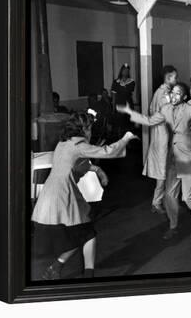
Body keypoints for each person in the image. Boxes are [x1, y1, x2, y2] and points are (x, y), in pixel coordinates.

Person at [31, 112, 138, 280]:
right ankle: (84, 275)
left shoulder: (64, 143)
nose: (91, 132)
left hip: (50, 197)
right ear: (83, 129)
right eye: (89, 128)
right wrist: (126, 138)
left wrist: (98, 170)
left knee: (83, 234)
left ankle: (57, 268)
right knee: (86, 234)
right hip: (63, 197)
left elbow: (77, 164)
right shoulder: (79, 145)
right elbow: (107, 152)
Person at [117, 83, 191, 240]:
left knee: (188, 197)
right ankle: (173, 225)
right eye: (173, 93)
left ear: (184, 97)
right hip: (171, 156)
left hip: (187, 157)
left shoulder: (190, 110)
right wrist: (130, 112)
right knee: (169, 195)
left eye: (178, 94)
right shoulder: (165, 109)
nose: (174, 96)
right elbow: (149, 121)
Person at [143, 65, 178, 214]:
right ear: (168, 77)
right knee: (162, 171)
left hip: (161, 134)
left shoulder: (160, 92)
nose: (176, 80)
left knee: (165, 170)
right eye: (175, 77)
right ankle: (157, 203)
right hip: (162, 137)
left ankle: (162, 201)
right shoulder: (163, 94)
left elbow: (151, 110)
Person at [111, 63, 136, 136]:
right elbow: (113, 95)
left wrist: (123, 85)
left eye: (127, 70)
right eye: (124, 70)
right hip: (119, 105)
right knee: (119, 125)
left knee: (128, 124)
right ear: (121, 71)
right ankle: (120, 140)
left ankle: (128, 141)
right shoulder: (115, 82)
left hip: (128, 106)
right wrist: (113, 107)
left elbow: (128, 90)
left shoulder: (132, 82)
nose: (125, 72)